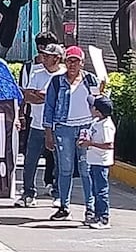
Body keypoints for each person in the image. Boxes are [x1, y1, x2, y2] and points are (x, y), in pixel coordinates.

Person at [43, 45, 101, 222]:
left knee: (86, 169)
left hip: (85, 127)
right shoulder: (57, 81)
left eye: (76, 61)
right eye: (69, 60)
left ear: (82, 63)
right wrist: (48, 132)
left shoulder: (91, 80)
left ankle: (90, 208)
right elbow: (49, 107)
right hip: (64, 128)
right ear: (65, 62)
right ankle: (64, 206)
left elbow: (99, 103)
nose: (72, 64)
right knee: (65, 169)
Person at [17, 40, 63, 206]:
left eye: (47, 56)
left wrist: (43, 96)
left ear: (57, 59)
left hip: (59, 126)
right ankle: (28, 193)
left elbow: (61, 101)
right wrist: (43, 97)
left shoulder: (63, 75)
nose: (43, 58)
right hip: (37, 124)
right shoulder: (37, 74)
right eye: (43, 55)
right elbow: (28, 97)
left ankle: (58, 193)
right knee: (30, 160)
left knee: (60, 161)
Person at [80, 96, 114, 229]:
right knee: (95, 190)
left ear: (98, 110)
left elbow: (109, 145)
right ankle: (97, 215)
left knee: (101, 190)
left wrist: (91, 143)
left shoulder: (106, 126)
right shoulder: (96, 122)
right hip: (93, 160)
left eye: (92, 107)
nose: (90, 108)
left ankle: (104, 217)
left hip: (101, 161)